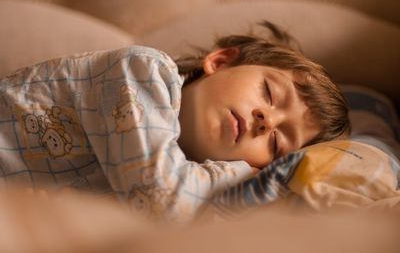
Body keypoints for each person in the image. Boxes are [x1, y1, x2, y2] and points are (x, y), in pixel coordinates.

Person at [0, 21, 349, 221]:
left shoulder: (186, 174)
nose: (265, 121)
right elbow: (163, 203)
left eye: (276, 143)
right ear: (221, 61)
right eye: (270, 94)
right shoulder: (144, 72)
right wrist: (243, 172)